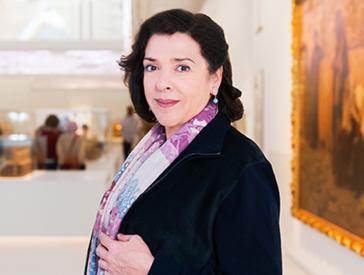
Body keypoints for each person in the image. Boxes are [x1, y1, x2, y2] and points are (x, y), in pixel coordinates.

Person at [85, 9, 281, 275]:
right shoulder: (151, 151)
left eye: (183, 67)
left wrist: (152, 270)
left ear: (215, 77)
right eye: (152, 67)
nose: (163, 83)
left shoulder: (242, 167)